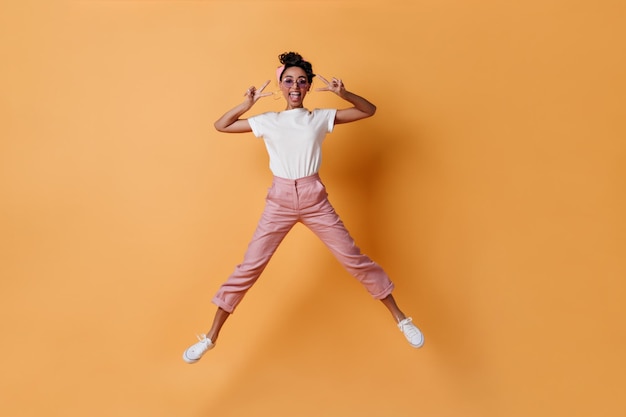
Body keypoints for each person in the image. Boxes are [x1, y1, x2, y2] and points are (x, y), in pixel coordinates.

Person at [183, 52, 424, 364]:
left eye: (301, 81)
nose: (294, 85)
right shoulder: (268, 121)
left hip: (313, 198)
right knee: (249, 268)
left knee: (353, 259)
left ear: (308, 86)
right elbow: (221, 125)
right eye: (288, 81)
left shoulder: (319, 118)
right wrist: (248, 104)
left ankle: (402, 319)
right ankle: (210, 337)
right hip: (280, 200)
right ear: (281, 86)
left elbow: (368, 110)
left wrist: (343, 94)